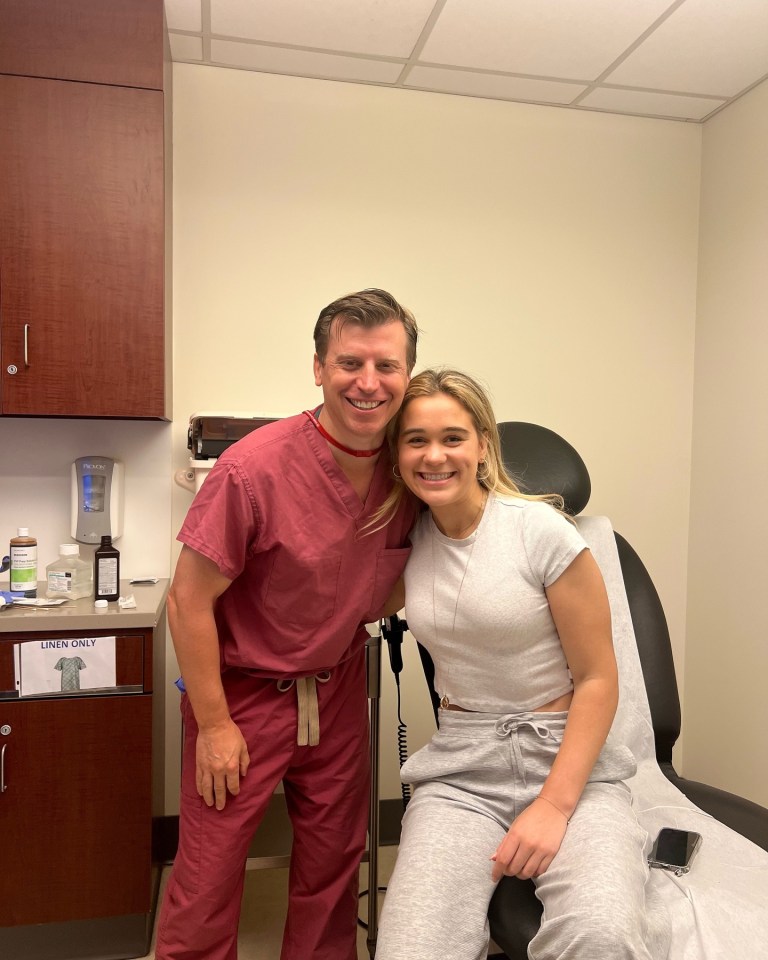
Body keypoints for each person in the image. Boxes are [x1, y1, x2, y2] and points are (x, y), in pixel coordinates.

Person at [154, 289, 420, 960]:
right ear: (318, 367)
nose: (368, 382)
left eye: (386, 366)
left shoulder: (410, 468)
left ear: (408, 375)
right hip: (241, 698)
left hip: (336, 690)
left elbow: (384, 585)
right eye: (349, 362)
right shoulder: (253, 468)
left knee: (334, 869)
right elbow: (188, 602)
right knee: (209, 876)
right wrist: (214, 725)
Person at [374, 369, 668, 960]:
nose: (435, 455)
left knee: (602, 937)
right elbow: (332, 603)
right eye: (416, 440)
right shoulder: (404, 542)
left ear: (483, 444)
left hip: (570, 765)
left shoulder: (542, 533)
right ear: (397, 454)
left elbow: (598, 679)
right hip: (463, 770)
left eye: (453, 437)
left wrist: (555, 805)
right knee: (410, 947)